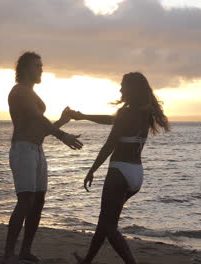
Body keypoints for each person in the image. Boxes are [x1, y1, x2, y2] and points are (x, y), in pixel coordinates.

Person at [72, 72, 170, 264]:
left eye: (123, 86)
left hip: (119, 172)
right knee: (105, 221)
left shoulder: (128, 113)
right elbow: (111, 120)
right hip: (136, 175)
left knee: (109, 226)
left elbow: (109, 144)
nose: (120, 89)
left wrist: (91, 170)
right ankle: (87, 261)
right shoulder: (144, 111)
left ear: (132, 89)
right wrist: (82, 116)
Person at [4, 51, 83, 264]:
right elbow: (38, 118)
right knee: (25, 201)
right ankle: (8, 254)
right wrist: (62, 135)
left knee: (38, 201)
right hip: (23, 150)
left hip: (37, 149)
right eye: (37, 66)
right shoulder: (19, 91)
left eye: (41, 65)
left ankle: (25, 251)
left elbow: (41, 129)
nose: (41, 69)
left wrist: (62, 122)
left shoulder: (31, 92)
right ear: (26, 69)